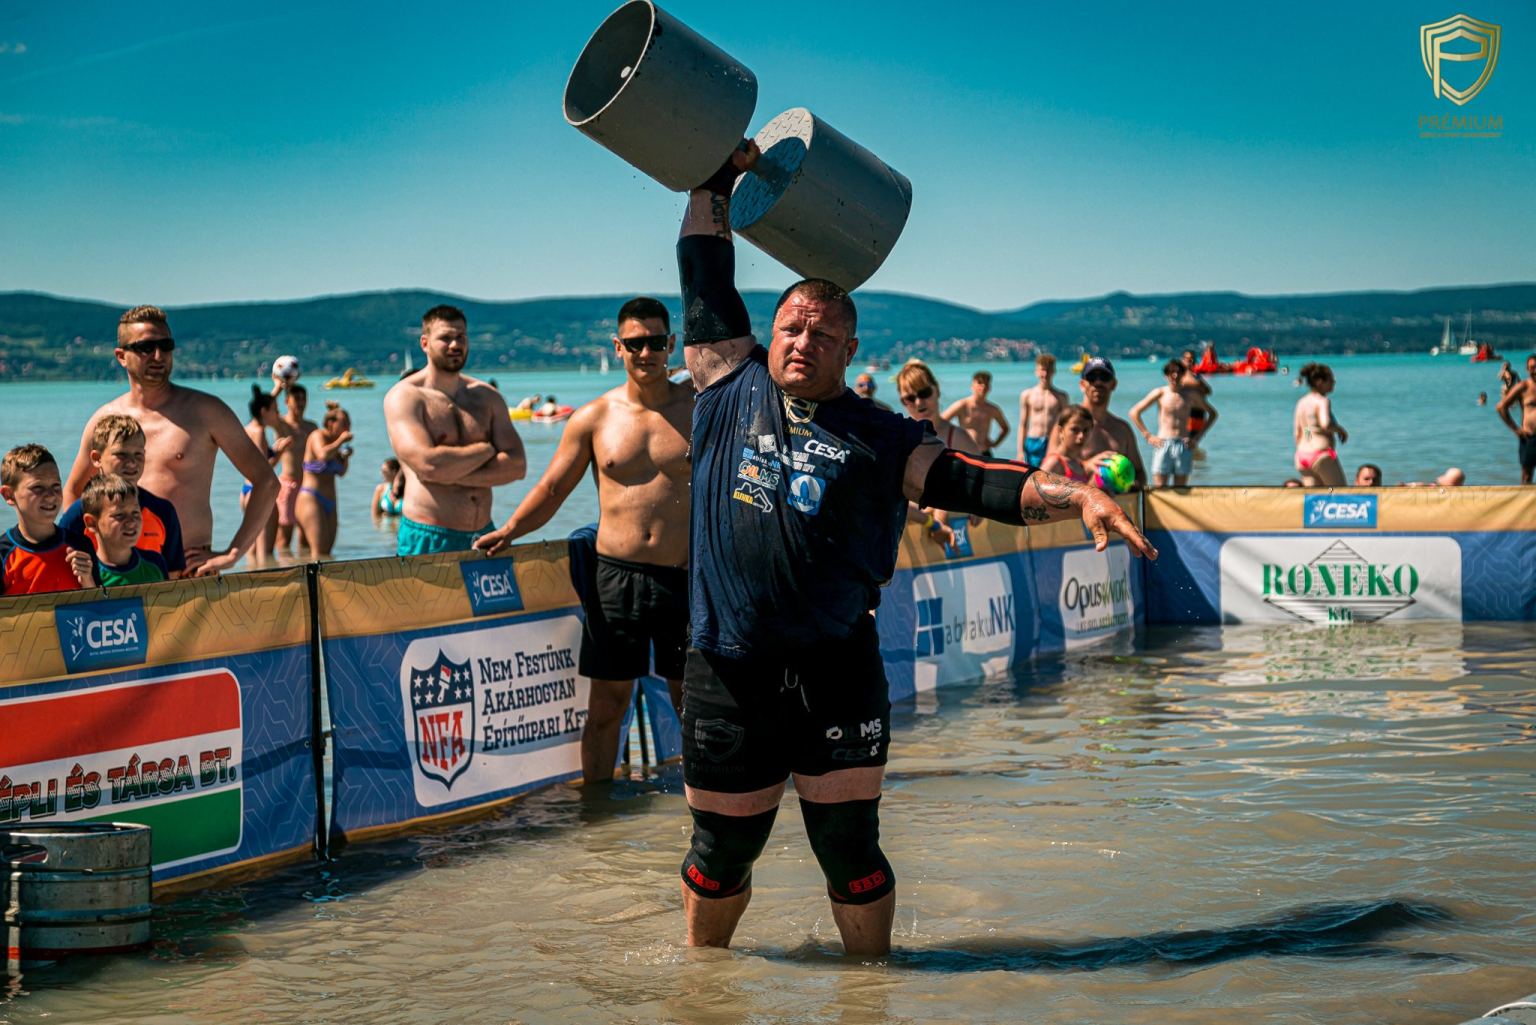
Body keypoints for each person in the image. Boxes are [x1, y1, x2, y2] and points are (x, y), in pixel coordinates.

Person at [666, 142, 1154, 957]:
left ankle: (873, 993)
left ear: (849, 351)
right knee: (720, 855)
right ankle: (701, 991)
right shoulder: (725, 382)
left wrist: (1078, 494)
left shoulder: (884, 436)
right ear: (769, 333)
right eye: (790, 328)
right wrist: (714, 171)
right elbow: (703, 269)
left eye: (821, 334)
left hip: (835, 667)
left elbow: (971, 482)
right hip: (728, 664)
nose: (801, 341)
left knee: (849, 852)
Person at [475, 297, 694, 785]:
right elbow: (554, 487)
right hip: (616, 578)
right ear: (617, 347)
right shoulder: (594, 417)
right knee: (607, 706)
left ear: (672, 344)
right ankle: (596, 813)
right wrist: (511, 530)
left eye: (656, 342)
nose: (646, 352)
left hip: (683, 577)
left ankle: (712, 808)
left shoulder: (698, 410)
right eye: (634, 344)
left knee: (693, 704)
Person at [63, 306, 277, 575]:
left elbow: (267, 482)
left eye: (165, 346)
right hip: (118, 577)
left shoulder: (206, 411)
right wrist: (84, 559)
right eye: (145, 347)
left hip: (189, 572)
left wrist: (232, 553)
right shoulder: (104, 420)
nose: (158, 355)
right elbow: (75, 491)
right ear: (121, 356)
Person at [384, 305, 527, 555]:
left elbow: (517, 466)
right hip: (428, 535)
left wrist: (447, 475)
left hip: (485, 535)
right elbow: (428, 465)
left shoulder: (487, 397)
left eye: (461, 337)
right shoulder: (405, 397)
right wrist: (486, 450)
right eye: (446, 338)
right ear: (425, 343)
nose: (455, 345)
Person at [59, 414, 186, 577]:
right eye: (121, 455)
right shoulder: (79, 514)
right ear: (97, 458)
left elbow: (172, 574)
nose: (132, 462)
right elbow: (61, 569)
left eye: (138, 454)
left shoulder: (163, 511)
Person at [1, 444, 96, 594]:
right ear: (9, 495)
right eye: (38, 488)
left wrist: (87, 581)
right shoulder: (3, 553)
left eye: (56, 486)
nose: (51, 495)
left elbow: (99, 605)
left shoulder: (79, 546)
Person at [1128, 359, 1218, 488]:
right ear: (1166, 375)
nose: (1175, 376)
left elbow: (1212, 414)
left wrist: (1197, 438)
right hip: (1163, 443)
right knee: (1160, 488)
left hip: (1183, 444)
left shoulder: (1190, 395)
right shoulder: (1160, 392)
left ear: (1183, 375)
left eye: (1178, 373)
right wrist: (1147, 435)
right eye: (1171, 373)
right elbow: (1134, 412)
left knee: (1181, 490)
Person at [81, 474, 169, 587]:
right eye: (119, 515)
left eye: (135, 513)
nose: (131, 522)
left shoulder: (155, 563)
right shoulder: (88, 574)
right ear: (91, 523)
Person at [1077, 357, 1148, 489]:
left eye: (1104, 377)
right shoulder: (1070, 425)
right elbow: (1051, 470)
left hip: (1117, 501)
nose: (1098, 382)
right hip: (1080, 500)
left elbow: (1139, 473)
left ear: (1114, 384)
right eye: (1092, 378)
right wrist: (1086, 465)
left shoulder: (1123, 429)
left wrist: (1128, 485)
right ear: (1082, 384)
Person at [294, 402, 352, 558]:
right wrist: (340, 441)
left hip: (330, 502)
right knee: (320, 553)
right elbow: (322, 455)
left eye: (349, 423)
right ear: (330, 423)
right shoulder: (317, 436)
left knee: (326, 553)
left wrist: (345, 458)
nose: (348, 427)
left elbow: (341, 472)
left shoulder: (335, 445)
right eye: (344, 423)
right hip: (311, 498)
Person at [243, 385, 291, 565]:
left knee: (252, 549)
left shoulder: (248, 428)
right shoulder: (260, 432)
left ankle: (250, 579)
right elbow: (264, 470)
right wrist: (280, 452)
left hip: (247, 490)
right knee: (266, 552)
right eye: (275, 410)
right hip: (260, 492)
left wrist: (274, 450)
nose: (278, 414)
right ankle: (267, 582)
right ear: (264, 411)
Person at [895, 360, 979, 454]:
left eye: (925, 393)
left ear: (937, 390)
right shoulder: (896, 440)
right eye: (910, 398)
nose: (919, 402)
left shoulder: (959, 438)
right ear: (902, 401)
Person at [273, 383, 317, 555]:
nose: (300, 402)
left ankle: (304, 566)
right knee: (284, 538)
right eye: (296, 398)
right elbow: (265, 409)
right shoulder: (282, 424)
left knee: (306, 538)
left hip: (308, 486)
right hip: (288, 485)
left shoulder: (311, 427)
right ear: (287, 401)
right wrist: (278, 388)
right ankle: (284, 567)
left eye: (303, 398)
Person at [1293, 362, 1348, 487]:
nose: (1334, 382)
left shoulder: (1302, 402)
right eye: (1331, 379)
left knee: (1315, 497)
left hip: (1302, 456)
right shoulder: (1322, 401)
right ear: (1319, 382)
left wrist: (1310, 444)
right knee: (1340, 493)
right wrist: (1341, 430)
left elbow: (1302, 431)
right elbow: (1325, 424)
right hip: (1322, 455)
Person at [941, 371, 1010, 456]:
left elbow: (1005, 428)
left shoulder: (992, 409)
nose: (983, 386)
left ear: (989, 387)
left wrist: (995, 443)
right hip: (965, 453)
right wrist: (952, 440)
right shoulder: (962, 405)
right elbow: (940, 423)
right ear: (972, 386)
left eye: (986, 383)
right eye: (980, 383)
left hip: (984, 452)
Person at [1017, 353, 1069, 465]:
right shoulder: (1027, 395)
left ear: (1053, 371)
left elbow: (1066, 425)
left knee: (1052, 474)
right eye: (1042, 370)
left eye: (1048, 370)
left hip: (1053, 442)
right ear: (1036, 371)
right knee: (1032, 474)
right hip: (1033, 441)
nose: (1045, 374)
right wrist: (1020, 451)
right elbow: (1023, 424)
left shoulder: (1061, 397)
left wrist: (1065, 447)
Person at [1494, 354, 1536, 484]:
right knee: (1527, 476)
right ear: (1527, 369)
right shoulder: (1523, 387)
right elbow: (1501, 407)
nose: (1535, 371)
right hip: (1529, 437)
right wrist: (1516, 429)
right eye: (1532, 368)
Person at [1038, 405, 1094, 481]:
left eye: (1086, 430)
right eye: (1074, 429)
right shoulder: (1055, 462)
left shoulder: (1079, 464)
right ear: (1060, 431)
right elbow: (1035, 486)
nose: (1081, 436)